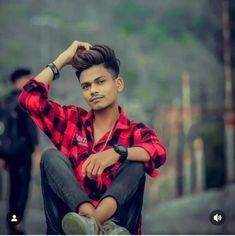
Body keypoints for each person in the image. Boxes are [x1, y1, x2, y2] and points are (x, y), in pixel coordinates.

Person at [18, 41, 167, 235]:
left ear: (118, 84)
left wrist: (117, 153)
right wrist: (63, 59)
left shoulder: (135, 132)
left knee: (136, 162)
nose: (93, 90)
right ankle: (89, 221)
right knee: (50, 157)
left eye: (100, 81)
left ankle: (95, 223)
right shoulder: (72, 121)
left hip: (118, 228)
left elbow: (159, 152)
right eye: (86, 86)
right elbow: (29, 100)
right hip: (71, 227)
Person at [0, 68, 40, 234]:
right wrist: (37, 149)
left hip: (8, 153)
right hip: (22, 152)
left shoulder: (4, 101)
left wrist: (2, 154)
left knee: (13, 188)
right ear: (18, 81)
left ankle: (12, 221)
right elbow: (30, 128)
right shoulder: (24, 100)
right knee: (21, 188)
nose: (29, 80)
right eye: (26, 78)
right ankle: (16, 224)